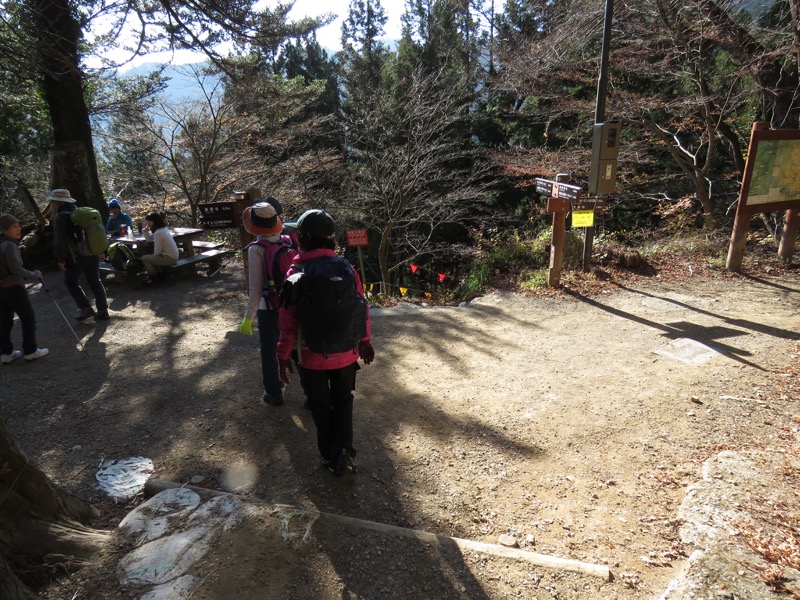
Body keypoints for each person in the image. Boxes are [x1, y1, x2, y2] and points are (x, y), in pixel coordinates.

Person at [277, 209, 375, 476]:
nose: (295, 237)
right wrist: (364, 341)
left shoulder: (296, 272)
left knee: (321, 407)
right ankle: (345, 451)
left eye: (298, 234)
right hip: (346, 352)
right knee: (343, 400)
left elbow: (288, 323)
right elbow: (361, 307)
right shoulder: (346, 268)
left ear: (305, 238)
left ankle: (329, 456)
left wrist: (282, 356)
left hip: (311, 356)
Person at [239, 201, 297, 406]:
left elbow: (255, 290)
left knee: (269, 349)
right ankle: (310, 392)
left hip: (270, 307)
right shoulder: (289, 240)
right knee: (296, 345)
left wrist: (248, 318)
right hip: (294, 302)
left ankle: (274, 392)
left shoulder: (257, 249)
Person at [49, 189, 110, 321]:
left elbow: (60, 241)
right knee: (95, 281)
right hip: (92, 252)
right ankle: (103, 310)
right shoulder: (83, 213)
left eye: (53, 202)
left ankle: (85, 308)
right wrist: (100, 251)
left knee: (71, 282)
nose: (52, 205)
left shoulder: (61, 217)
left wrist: (61, 259)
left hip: (76, 256)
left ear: (59, 203)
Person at [0, 214, 48, 363]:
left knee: (5, 320)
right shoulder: (10, 245)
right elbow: (16, 269)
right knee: (28, 317)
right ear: (5, 229)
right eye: (14, 226)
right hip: (14, 287)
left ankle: (6, 353)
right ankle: (30, 350)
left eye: (19, 225)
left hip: (1, 289)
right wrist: (34, 274)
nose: (19, 228)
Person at [141, 211, 179, 283]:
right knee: (150, 256)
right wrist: (145, 232)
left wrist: (153, 258)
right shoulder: (162, 229)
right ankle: (160, 274)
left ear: (154, 221)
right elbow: (149, 240)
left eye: (149, 221)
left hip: (170, 258)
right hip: (173, 256)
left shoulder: (158, 233)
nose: (148, 223)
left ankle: (154, 278)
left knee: (144, 258)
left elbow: (157, 252)